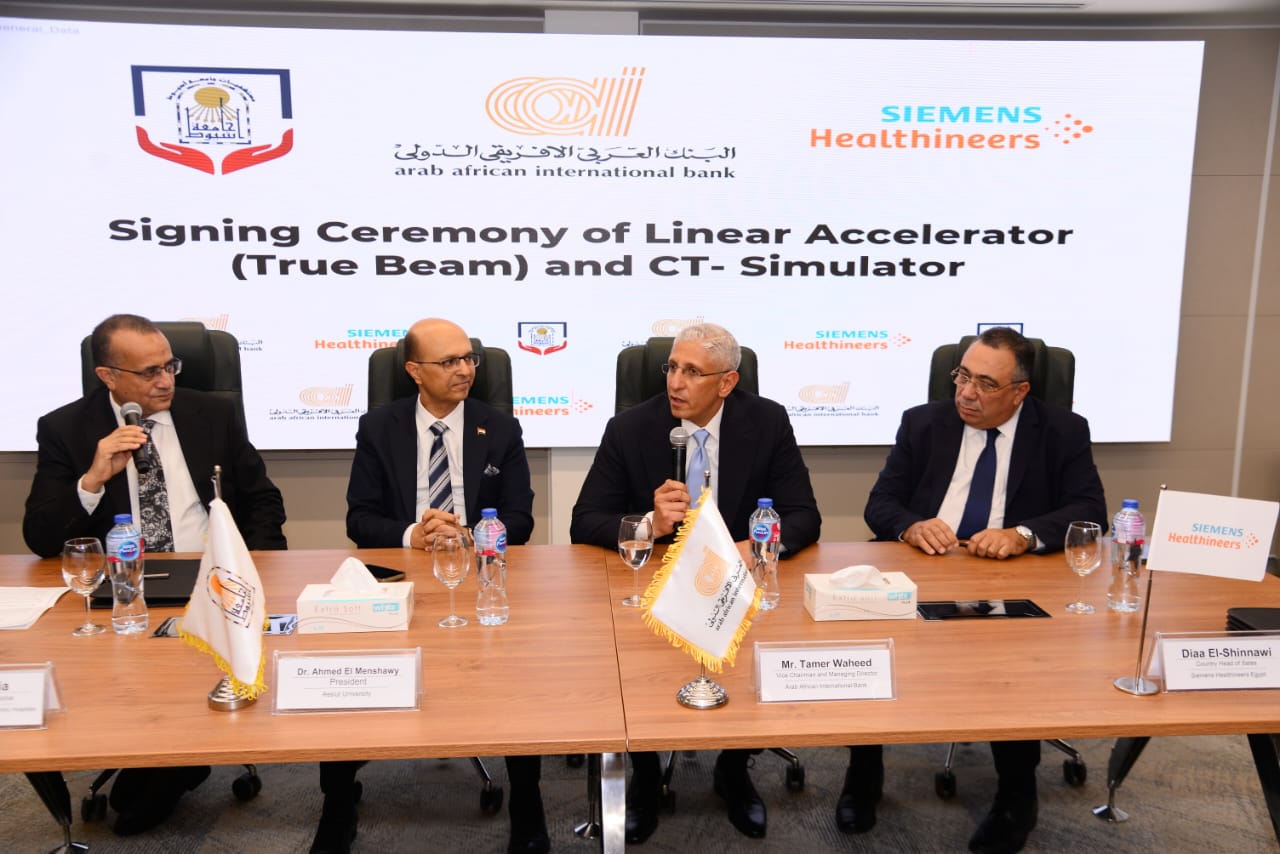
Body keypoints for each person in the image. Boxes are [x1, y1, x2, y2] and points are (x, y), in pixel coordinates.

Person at [22, 313, 287, 835]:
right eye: (149, 372)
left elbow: (263, 501)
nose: (166, 381)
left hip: (212, 580)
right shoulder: (65, 429)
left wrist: (257, 573)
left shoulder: (212, 414)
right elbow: (41, 538)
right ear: (107, 376)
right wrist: (92, 479)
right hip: (122, 590)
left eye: (170, 366)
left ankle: (170, 767)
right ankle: (172, 763)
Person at [847, 326, 1107, 854]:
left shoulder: (1062, 430)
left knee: (1013, 667)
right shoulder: (922, 423)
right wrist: (912, 526)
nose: (966, 393)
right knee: (869, 648)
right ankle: (863, 773)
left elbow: (1089, 511)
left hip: (1007, 576)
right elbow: (881, 504)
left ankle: (1017, 795)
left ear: (1020, 392)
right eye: (962, 376)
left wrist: (1022, 535)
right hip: (924, 567)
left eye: (986, 384)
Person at [571, 323, 821, 843]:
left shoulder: (767, 421)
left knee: (755, 651)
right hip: (657, 583)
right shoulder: (631, 428)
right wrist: (649, 524)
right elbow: (585, 520)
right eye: (671, 368)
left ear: (727, 382)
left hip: (735, 579)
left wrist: (753, 546)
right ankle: (644, 776)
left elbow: (804, 516)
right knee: (638, 661)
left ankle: (733, 768)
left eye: (691, 372)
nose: (675, 383)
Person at [315, 317, 542, 854]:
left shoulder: (499, 427)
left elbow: (521, 519)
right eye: (450, 361)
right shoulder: (379, 427)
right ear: (414, 371)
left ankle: (529, 802)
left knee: (519, 674)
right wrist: (415, 534)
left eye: (469, 359)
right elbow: (359, 519)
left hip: (480, 571)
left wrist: (467, 534)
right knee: (342, 660)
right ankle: (338, 802)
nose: (465, 370)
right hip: (403, 573)